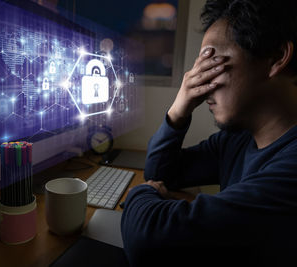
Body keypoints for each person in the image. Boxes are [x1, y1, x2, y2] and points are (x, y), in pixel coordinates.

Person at [121, 0, 297, 266]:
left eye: (210, 61)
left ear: (276, 57)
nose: (198, 82)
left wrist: (138, 193)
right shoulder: (238, 139)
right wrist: (179, 109)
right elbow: (162, 173)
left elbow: (148, 240)